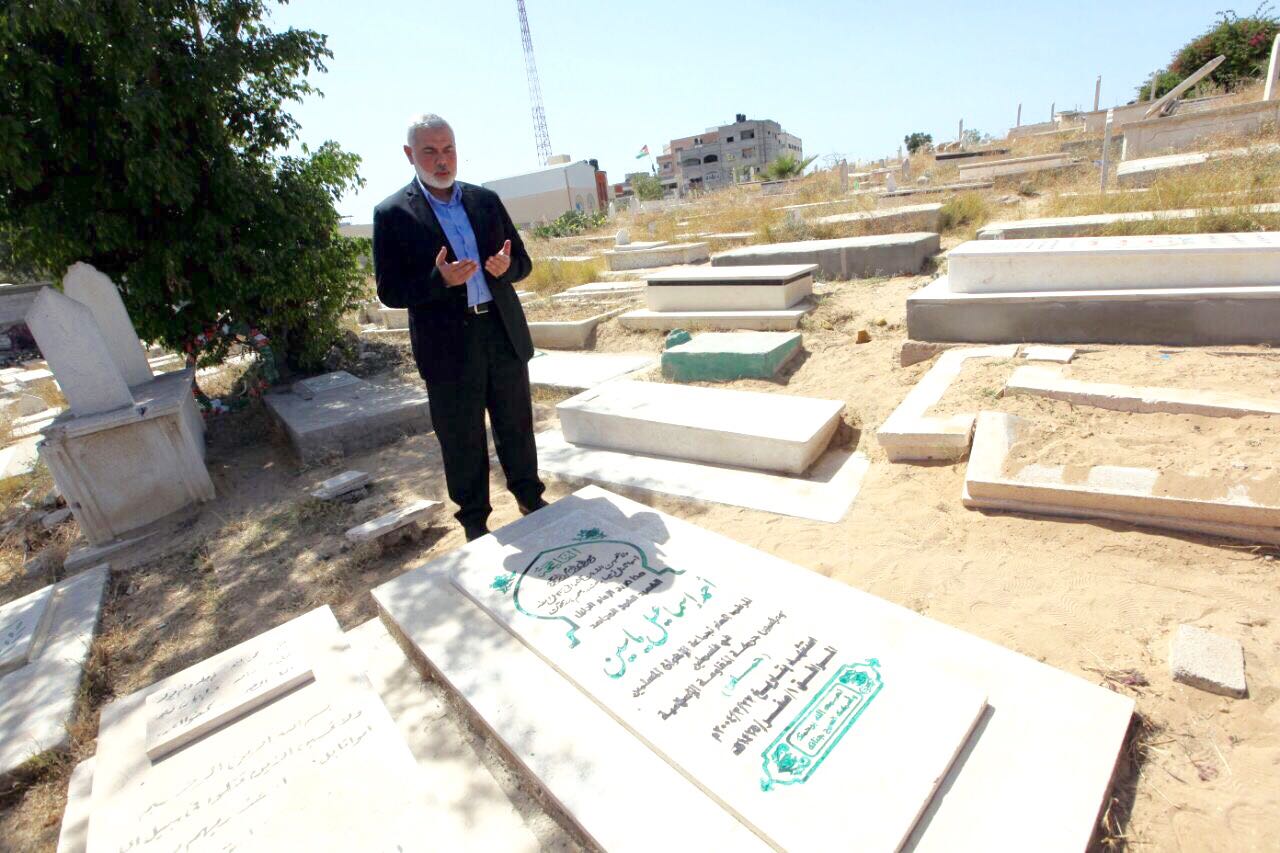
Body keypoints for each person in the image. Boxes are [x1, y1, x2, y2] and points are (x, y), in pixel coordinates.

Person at [373, 114, 548, 541]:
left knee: (516, 425)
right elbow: (389, 291)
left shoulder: (485, 200)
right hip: (447, 346)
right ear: (409, 154)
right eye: (430, 151)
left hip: (501, 333)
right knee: (461, 436)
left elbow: (523, 262)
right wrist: (440, 280)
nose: (442, 160)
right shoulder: (392, 213)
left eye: (448, 149)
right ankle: (474, 522)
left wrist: (507, 268)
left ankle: (530, 498)